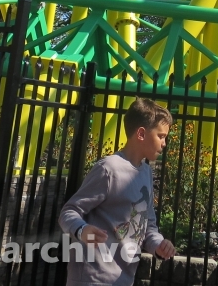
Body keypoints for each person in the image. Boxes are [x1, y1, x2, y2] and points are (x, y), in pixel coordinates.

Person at [59, 99, 177, 286]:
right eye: (161, 136)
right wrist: (82, 230)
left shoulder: (146, 172)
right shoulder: (108, 169)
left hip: (123, 280)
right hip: (91, 280)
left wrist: (159, 245)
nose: (164, 143)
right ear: (141, 133)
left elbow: (148, 226)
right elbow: (69, 212)